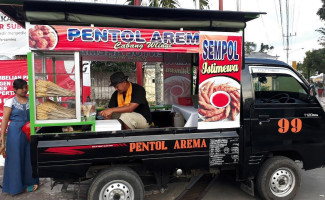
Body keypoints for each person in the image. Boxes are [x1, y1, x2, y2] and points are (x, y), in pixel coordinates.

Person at [0, 79, 39, 195]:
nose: (24, 90)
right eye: (21, 88)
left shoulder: (32, 101)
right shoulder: (10, 102)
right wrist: (2, 137)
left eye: (25, 87)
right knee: (15, 159)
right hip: (15, 134)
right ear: (15, 90)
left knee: (30, 158)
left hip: (30, 132)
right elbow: (5, 120)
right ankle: (16, 187)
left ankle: (30, 182)